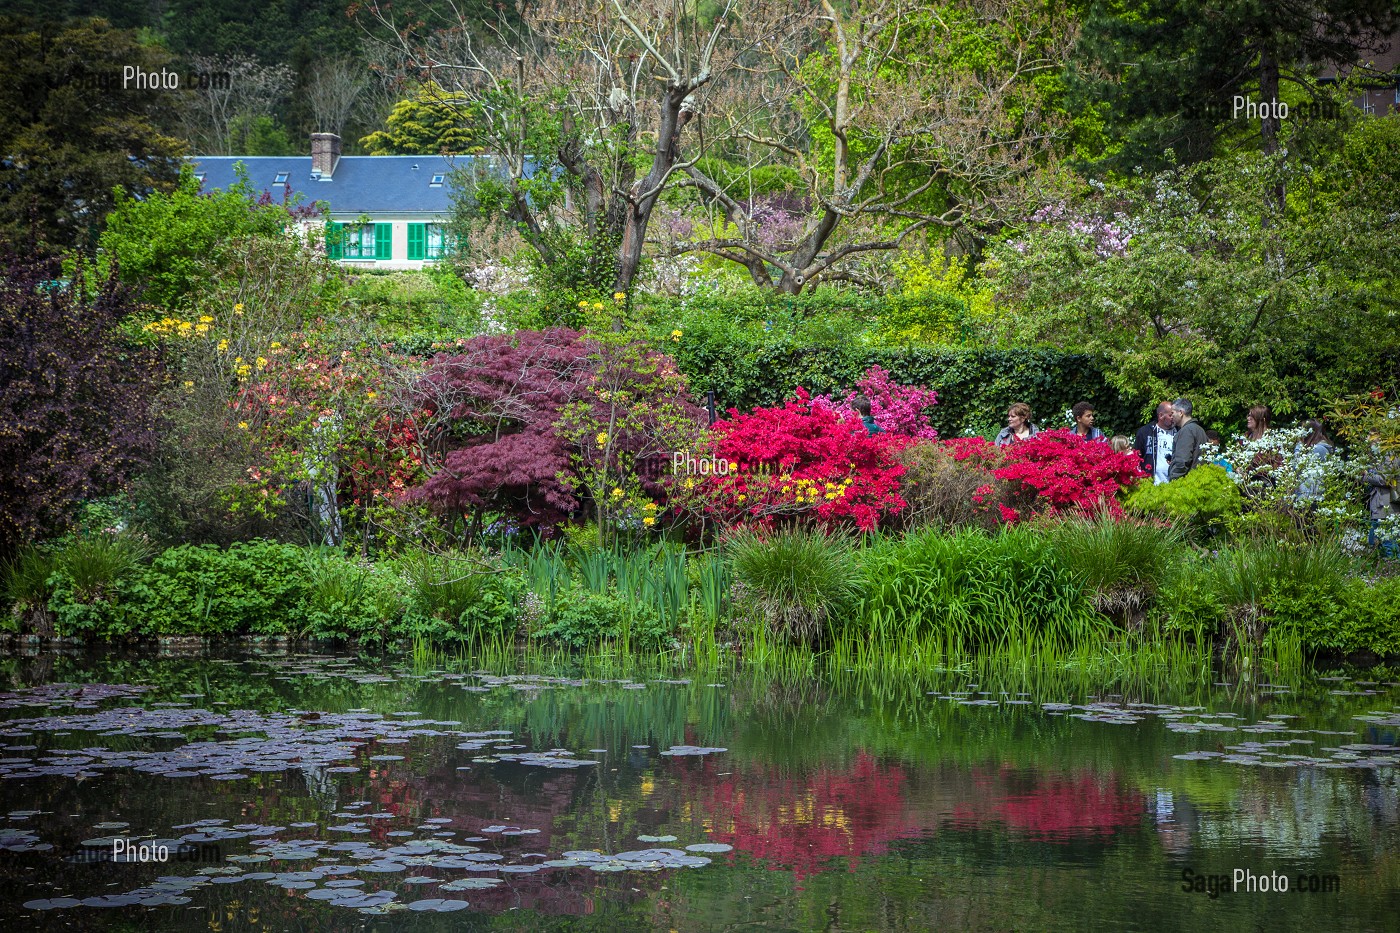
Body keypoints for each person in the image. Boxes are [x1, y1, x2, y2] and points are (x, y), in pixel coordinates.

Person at [1363, 435, 1397, 558]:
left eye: (1370, 435)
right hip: (1379, 503)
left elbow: (1385, 479)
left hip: (1386, 503)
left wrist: (1366, 476)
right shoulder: (1380, 455)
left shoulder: (1390, 454)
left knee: (1388, 543)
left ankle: (1393, 573)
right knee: (1374, 540)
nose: (1367, 438)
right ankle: (1387, 572)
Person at [1133, 402, 1177, 485]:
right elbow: (1136, 457)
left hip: (1174, 484)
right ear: (1161, 416)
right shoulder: (1146, 432)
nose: (1173, 418)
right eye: (1170, 415)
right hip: (1152, 484)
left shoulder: (1180, 432)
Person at [1168, 398, 1208, 482]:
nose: (1171, 417)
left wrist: (1174, 481)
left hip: (1187, 484)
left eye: (1172, 413)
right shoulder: (1199, 430)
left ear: (1181, 413)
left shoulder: (1186, 431)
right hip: (1200, 480)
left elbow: (1182, 462)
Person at [1294, 419, 1333, 501]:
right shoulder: (1317, 448)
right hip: (1308, 495)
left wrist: (1298, 447)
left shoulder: (1318, 449)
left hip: (1311, 496)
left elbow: (1298, 467)